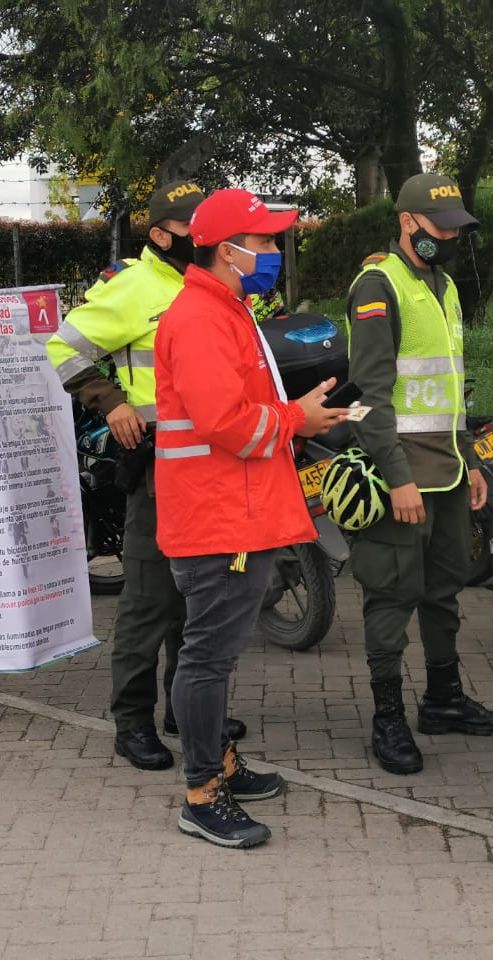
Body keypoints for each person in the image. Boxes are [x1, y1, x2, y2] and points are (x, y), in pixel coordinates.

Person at [155, 188, 348, 847]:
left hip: (233, 511)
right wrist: (301, 418)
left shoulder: (227, 309)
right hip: (217, 517)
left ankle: (220, 765)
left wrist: (302, 409)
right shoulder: (202, 318)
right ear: (225, 249)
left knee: (219, 652)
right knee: (208, 655)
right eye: (262, 242)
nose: (270, 252)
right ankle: (202, 794)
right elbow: (226, 424)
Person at [46, 179, 245, 772]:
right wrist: (110, 401)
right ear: (160, 235)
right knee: (149, 603)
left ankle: (185, 709)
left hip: (212, 468)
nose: (206, 236)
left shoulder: (212, 286)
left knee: (200, 600)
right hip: (158, 469)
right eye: (192, 227)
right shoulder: (135, 287)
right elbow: (63, 347)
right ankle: (131, 722)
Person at [344, 173, 493, 776]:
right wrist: (396, 477)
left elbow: (449, 388)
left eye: (457, 230)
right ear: (408, 223)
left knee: (444, 590)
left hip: (445, 471)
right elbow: (367, 397)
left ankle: (442, 699)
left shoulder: (441, 285)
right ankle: (386, 718)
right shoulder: (377, 285)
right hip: (402, 474)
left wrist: (469, 459)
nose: (451, 237)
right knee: (392, 596)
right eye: (442, 228)